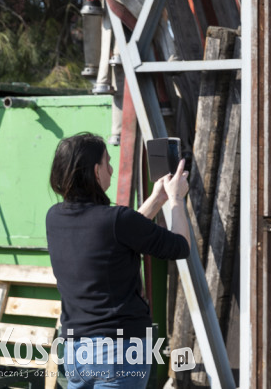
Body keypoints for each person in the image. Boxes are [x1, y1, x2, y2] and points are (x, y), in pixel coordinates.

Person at [46, 133, 192, 388]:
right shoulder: (115, 220)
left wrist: (158, 198)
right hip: (118, 350)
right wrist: (177, 199)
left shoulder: (55, 217)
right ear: (95, 171)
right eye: (107, 163)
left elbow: (116, 234)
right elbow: (180, 246)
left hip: (74, 351)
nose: (112, 170)